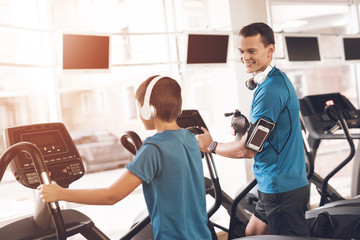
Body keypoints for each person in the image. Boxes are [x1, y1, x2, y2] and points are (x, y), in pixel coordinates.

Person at [38, 75, 212, 240]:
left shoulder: (153, 148)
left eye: (138, 107)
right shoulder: (190, 138)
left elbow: (111, 195)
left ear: (147, 110)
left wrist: (60, 193)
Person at [196, 22, 310, 237]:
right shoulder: (275, 80)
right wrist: (247, 128)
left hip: (281, 188)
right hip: (275, 183)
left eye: (251, 51)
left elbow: (248, 150)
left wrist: (210, 145)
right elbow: (265, 133)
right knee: (253, 233)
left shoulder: (270, 91)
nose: (245, 57)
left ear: (270, 50)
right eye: (241, 51)